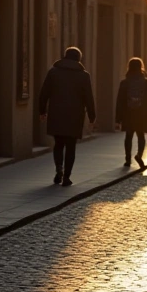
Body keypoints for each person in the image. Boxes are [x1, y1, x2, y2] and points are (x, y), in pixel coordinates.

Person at [37, 47, 97, 187]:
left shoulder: (53, 72)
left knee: (58, 144)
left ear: (65, 57)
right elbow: (89, 98)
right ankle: (67, 177)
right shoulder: (84, 75)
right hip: (75, 116)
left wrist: (42, 111)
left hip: (56, 113)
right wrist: (92, 116)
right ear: (78, 59)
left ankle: (59, 168)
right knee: (71, 146)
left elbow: (44, 93)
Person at [115, 57, 147, 169]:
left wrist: (118, 118)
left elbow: (119, 101)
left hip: (128, 113)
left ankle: (127, 160)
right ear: (141, 67)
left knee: (128, 136)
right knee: (141, 136)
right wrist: (144, 103)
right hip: (142, 114)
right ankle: (139, 156)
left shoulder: (124, 83)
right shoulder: (146, 83)